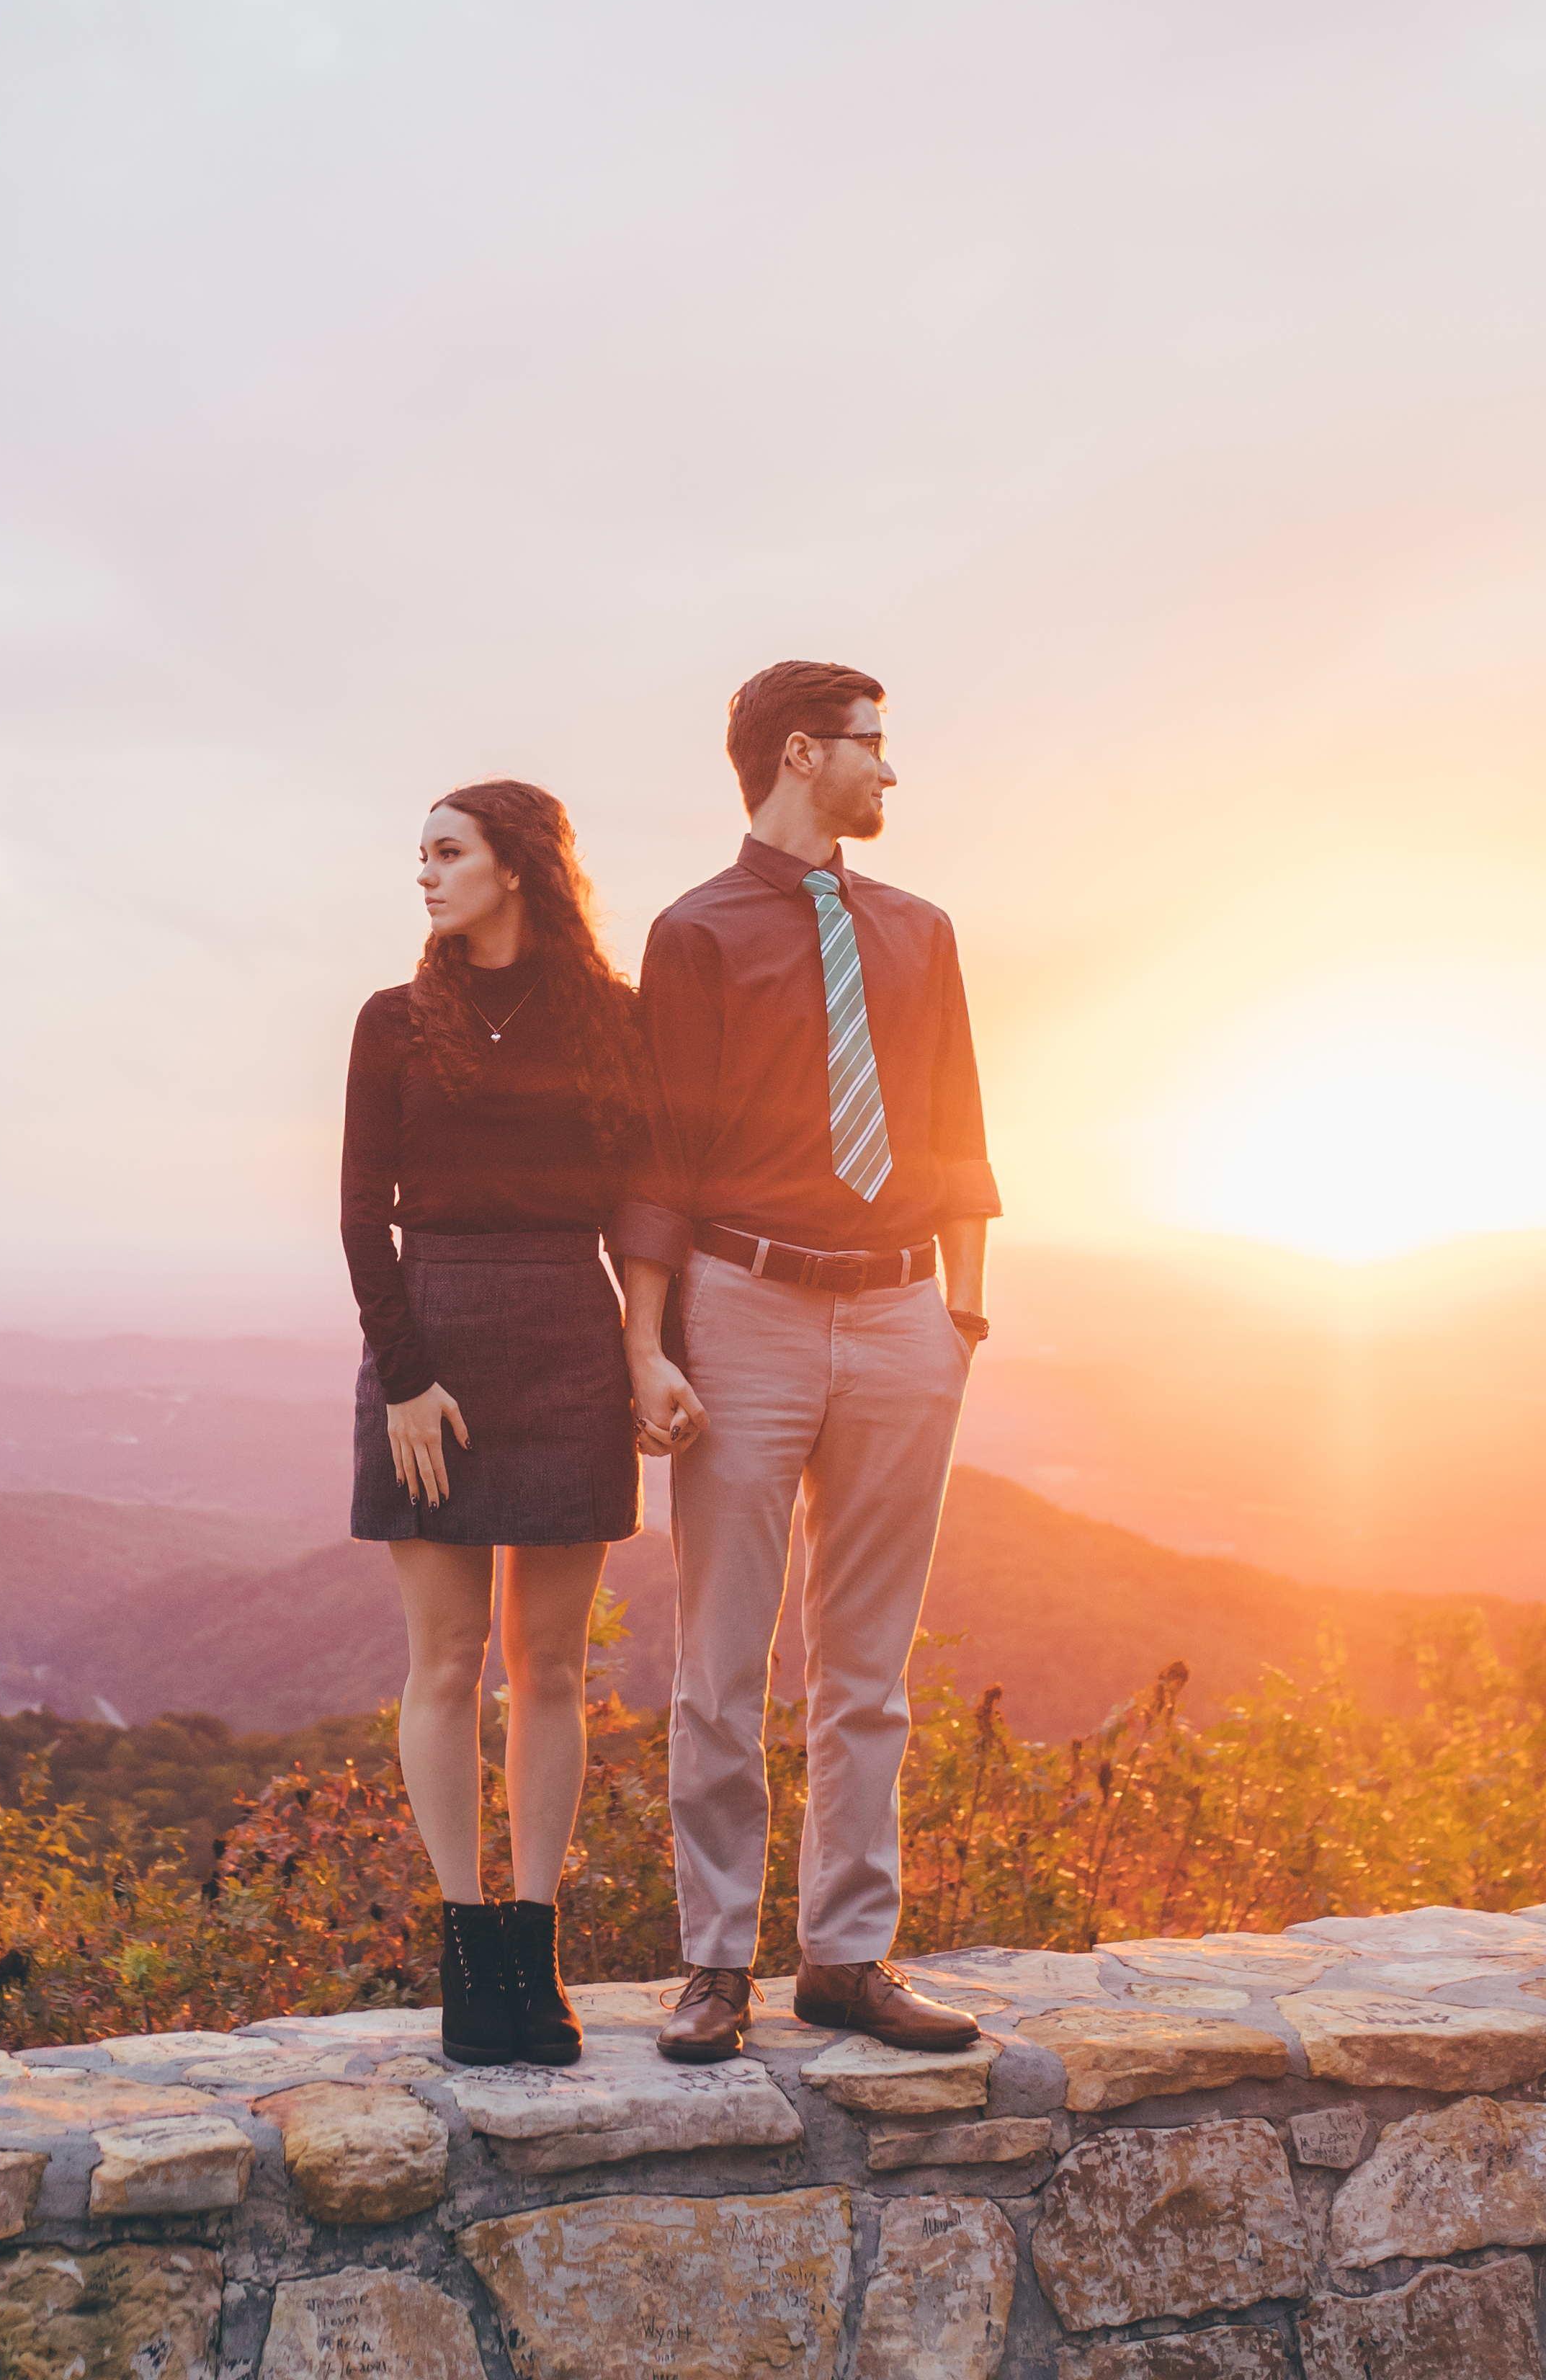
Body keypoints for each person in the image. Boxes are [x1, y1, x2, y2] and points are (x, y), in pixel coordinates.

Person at [616, 662, 998, 2061]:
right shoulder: (695, 934)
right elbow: (657, 1156)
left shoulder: (921, 930)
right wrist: (648, 1344)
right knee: (721, 1657)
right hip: (744, 1307)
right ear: (801, 754)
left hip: (906, 1318)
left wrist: (962, 1316)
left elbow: (959, 1121)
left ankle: (846, 1957)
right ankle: (716, 1963)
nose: (888, 775)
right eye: (871, 748)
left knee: (868, 1664)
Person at [340, 779, 645, 2067]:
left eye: (446, 851)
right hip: (434, 1335)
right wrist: (405, 1377)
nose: (424, 873)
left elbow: (642, 1201)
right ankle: (466, 1948)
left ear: (515, 866)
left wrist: (649, 1354)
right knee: (450, 1660)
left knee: (557, 1667)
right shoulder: (396, 1021)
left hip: (569, 1330)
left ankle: (537, 1941)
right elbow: (364, 1211)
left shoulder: (612, 1020)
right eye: (420, 854)